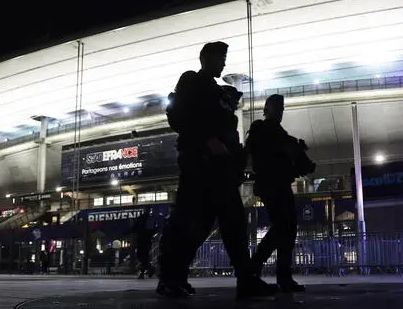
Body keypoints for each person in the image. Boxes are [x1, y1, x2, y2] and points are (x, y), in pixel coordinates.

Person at [157, 41, 278, 300]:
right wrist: (205, 139)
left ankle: (178, 276)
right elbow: (178, 114)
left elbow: (225, 127)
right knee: (193, 222)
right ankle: (172, 277)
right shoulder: (192, 81)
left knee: (215, 223)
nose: (223, 62)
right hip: (200, 162)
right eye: (219, 57)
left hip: (219, 165)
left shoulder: (217, 90)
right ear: (205, 58)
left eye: (224, 57)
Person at [245, 94, 314, 292]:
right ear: (268, 108)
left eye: (282, 108)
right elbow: (277, 154)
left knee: (288, 228)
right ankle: (257, 266)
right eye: (278, 108)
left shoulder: (275, 131)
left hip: (277, 184)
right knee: (284, 227)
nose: (281, 112)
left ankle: (279, 275)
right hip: (272, 185)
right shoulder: (265, 129)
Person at [130, 206, 156, 279]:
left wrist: (128, 232)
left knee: (141, 256)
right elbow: (153, 230)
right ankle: (149, 269)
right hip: (147, 240)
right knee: (144, 256)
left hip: (141, 239)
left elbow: (135, 227)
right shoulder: (150, 219)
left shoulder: (141, 218)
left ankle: (145, 271)